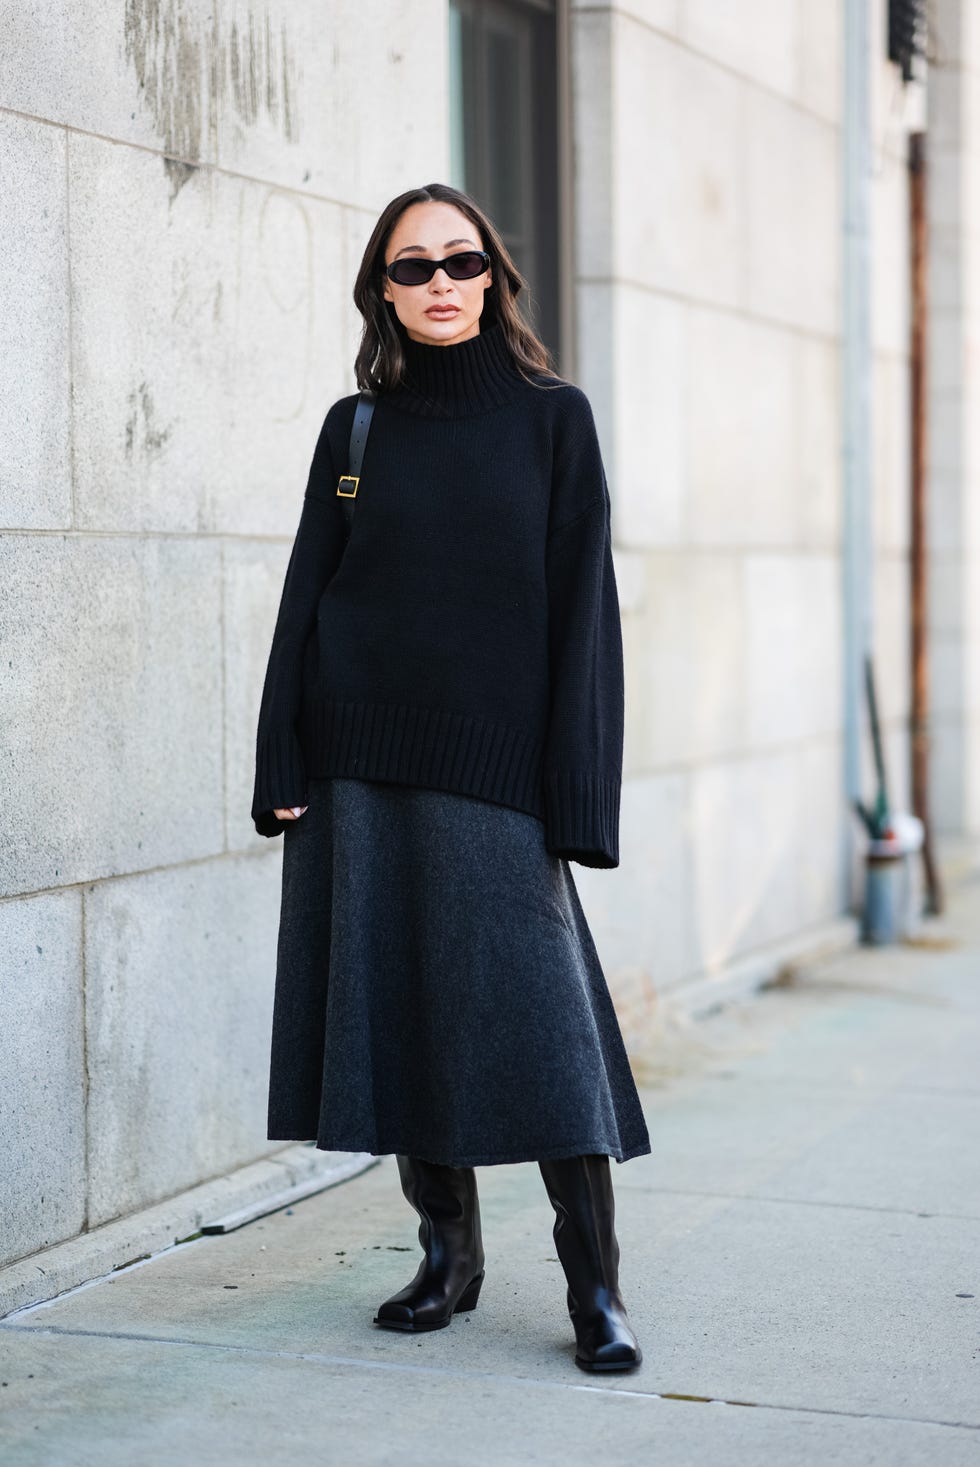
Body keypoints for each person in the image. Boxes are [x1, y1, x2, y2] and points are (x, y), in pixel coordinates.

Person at [251, 181, 651, 1373]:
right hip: (357, 762)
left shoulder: (551, 418)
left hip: (495, 776)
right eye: (411, 267)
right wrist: (279, 756)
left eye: (460, 263)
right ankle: (449, 1256)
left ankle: (595, 1291)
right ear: (381, 288)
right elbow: (305, 601)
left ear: (495, 278)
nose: (438, 285)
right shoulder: (355, 427)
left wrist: (577, 795)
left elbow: (585, 614)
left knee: (541, 1034)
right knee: (399, 1013)